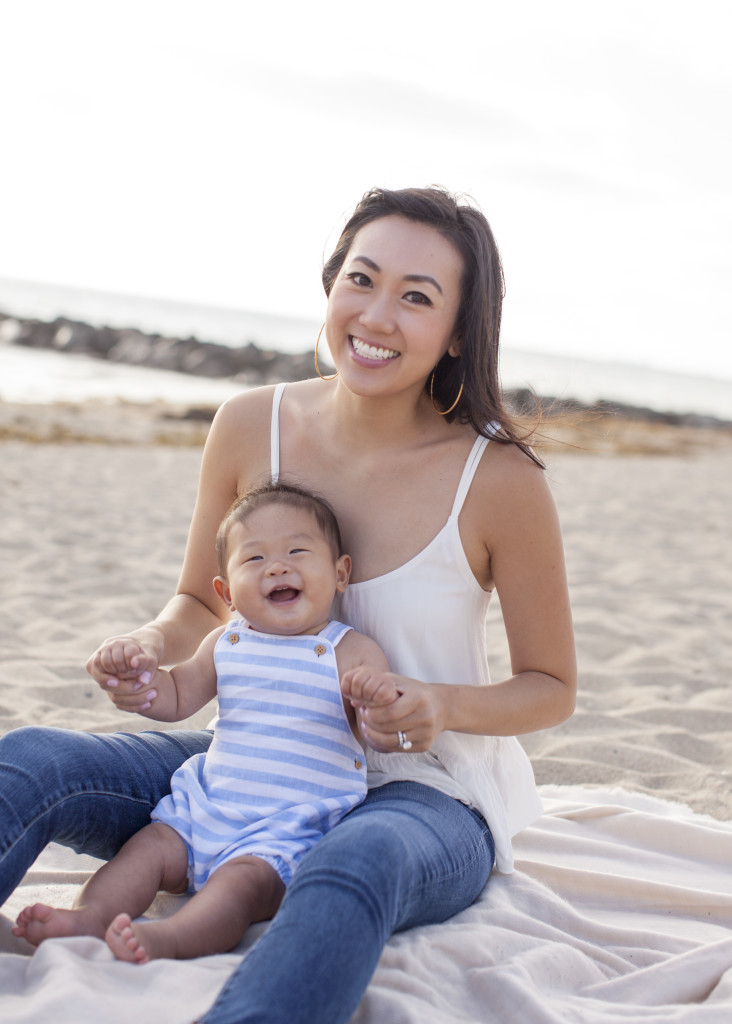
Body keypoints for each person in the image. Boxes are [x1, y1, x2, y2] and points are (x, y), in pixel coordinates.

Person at [0, 186, 576, 1024]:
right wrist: (148, 645)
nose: (376, 316)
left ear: (457, 332)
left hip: (421, 794)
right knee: (33, 761)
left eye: (417, 297)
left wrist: (439, 704)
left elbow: (552, 685)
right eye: (361, 279)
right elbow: (201, 599)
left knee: (353, 865)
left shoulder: (500, 481)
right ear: (331, 285)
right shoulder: (248, 423)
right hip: (253, 758)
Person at [13, 482, 394, 963]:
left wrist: (374, 701)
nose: (278, 566)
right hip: (206, 807)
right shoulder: (226, 642)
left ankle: (171, 937)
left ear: (341, 573)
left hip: (285, 827)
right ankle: (91, 916)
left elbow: (378, 724)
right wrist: (141, 682)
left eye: (298, 551)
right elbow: (178, 695)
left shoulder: (349, 650)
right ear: (226, 591)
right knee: (147, 848)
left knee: (240, 886)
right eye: (254, 560)